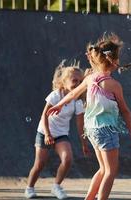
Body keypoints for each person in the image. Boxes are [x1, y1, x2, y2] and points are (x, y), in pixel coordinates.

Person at [47, 33, 131, 200]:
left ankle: (89, 198)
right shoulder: (113, 85)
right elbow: (125, 111)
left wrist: (60, 105)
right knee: (111, 171)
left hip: (91, 129)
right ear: (113, 61)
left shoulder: (90, 78)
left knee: (103, 169)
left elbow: (74, 93)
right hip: (106, 130)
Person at [25, 61, 90, 199]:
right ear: (64, 81)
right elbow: (45, 115)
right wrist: (47, 134)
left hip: (61, 134)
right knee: (40, 163)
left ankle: (56, 187)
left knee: (67, 160)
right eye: (74, 80)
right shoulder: (56, 95)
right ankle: (29, 187)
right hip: (44, 132)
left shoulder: (77, 101)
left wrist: (84, 143)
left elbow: (80, 123)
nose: (78, 84)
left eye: (80, 81)